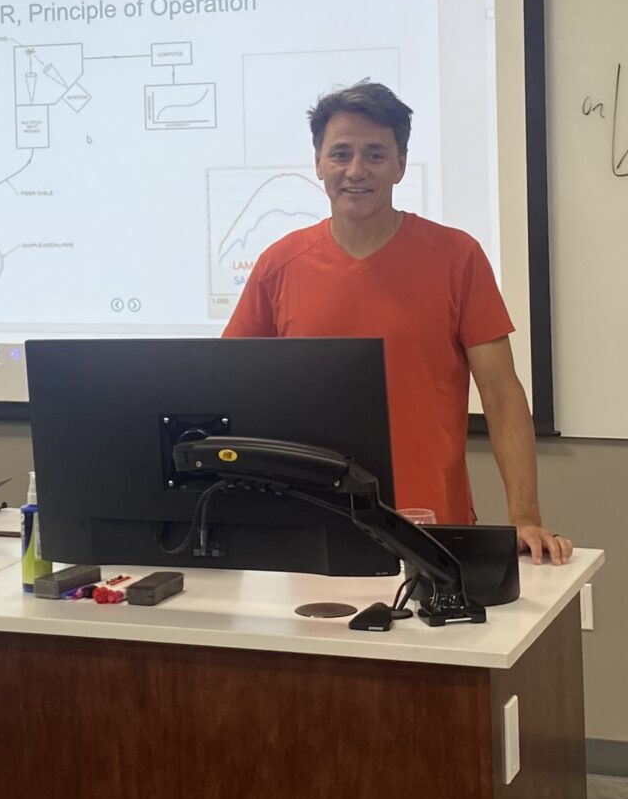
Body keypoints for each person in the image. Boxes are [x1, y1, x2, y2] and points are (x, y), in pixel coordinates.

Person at [223, 80, 571, 562]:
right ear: (319, 163)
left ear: (400, 165)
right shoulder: (278, 265)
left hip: (431, 525)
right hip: (308, 524)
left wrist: (525, 515)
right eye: (341, 154)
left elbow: (501, 394)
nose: (356, 170)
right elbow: (232, 388)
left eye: (375, 154)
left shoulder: (456, 257)